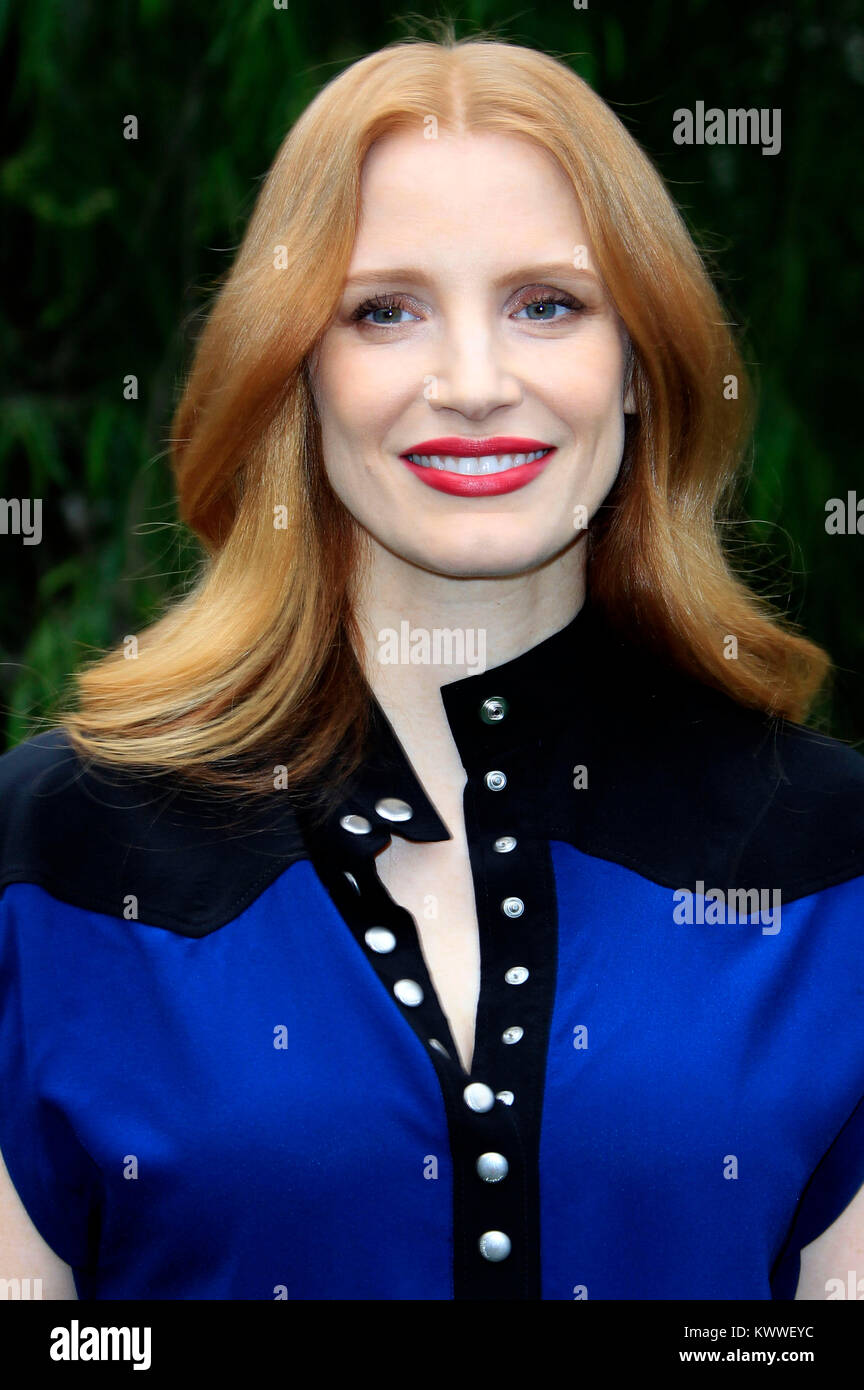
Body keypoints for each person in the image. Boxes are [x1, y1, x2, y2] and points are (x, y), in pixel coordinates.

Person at [1, 33, 862, 1302]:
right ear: (294, 368)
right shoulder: (53, 854)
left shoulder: (833, 854)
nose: (472, 383)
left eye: (548, 304)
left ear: (639, 366)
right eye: (385, 310)